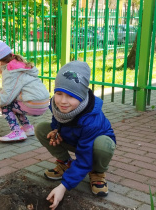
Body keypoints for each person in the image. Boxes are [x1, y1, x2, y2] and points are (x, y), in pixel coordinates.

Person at [34, 60, 116, 210]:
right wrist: (56, 130)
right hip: (75, 138)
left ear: (82, 95)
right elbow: (57, 120)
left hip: (94, 144)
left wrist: (64, 186)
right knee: (41, 129)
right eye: (59, 94)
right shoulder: (56, 104)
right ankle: (66, 164)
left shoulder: (91, 120)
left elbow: (85, 158)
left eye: (71, 96)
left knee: (103, 145)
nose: (63, 101)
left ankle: (97, 172)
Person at [0, 40, 50, 142]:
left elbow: (5, 99)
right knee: (15, 102)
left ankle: (16, 132)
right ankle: (27, 128)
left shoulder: (10, 72)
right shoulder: (18, 66)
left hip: (33, 103)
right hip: (43, 103)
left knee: (5, 103)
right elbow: (15, 90)